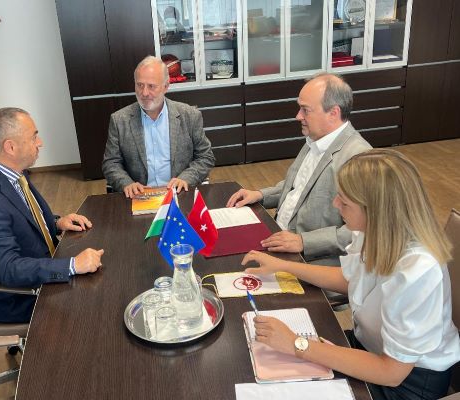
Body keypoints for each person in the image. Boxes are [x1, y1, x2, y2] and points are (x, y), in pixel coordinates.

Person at [241, 149, 460, 400]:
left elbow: (392, 373)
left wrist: (296, 344)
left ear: (375, 211)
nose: (336, 204)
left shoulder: (418, 271)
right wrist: (284, 266)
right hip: (369, 349)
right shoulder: (372, 231)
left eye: (344, 202)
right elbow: (349, 279)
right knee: (261, 362)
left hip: (407, 383)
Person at [0, 108, 104, 323]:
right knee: (99, 306)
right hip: (15, 298)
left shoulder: (12, 172)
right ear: (10, 147)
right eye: (34, 137)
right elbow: (8, 268)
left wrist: (56, 223)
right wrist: (72, 266)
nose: (40, 143)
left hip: (37, 267)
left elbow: (21, 217)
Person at [227, 73, 371, 263]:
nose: (298, 116)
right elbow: (298, 188)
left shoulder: (359, 158)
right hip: (279, 238)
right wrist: (260, 195)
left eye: (305, 110)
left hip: (312, 260)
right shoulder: (315, 139)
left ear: (333, 113)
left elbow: (365, 230)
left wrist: (304, 241)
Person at [102, 56, 215, 198]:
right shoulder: (119, 120)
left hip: (179, 194)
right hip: (139, 196)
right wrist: (126, 183)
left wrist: (186, 178)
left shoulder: (190, 115)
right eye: (140, 85)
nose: (144, 93)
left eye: (151, 86)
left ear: (166, 86)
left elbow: (205, 156)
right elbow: (111, 163)